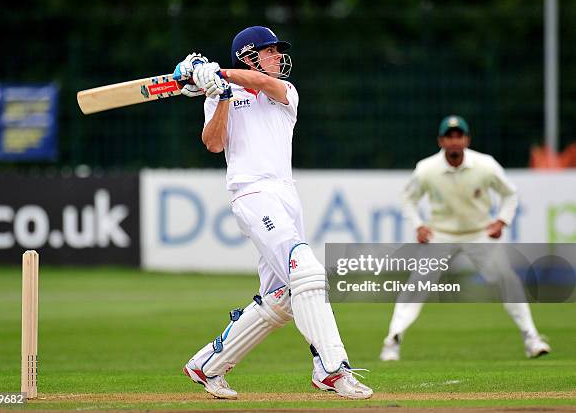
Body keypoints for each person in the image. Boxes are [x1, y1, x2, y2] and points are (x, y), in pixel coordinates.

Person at [172, 26, 372, 400]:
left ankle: (206, 366)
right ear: (249, 55)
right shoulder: (218, 95)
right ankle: (331, 369)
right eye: (271, 51)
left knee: (281, 296)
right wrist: (221, 93)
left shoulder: (285, 92)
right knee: (307, 270)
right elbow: (214, 144)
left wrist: (218, 74)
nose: (279, 57)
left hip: (285, 194)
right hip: (251, 192)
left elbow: (264, 85)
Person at [379, 115, 551, 361]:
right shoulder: (427, 169)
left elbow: (510, 194)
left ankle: (531, 337)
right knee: (416, 285)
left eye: (459, 136)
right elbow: (407, 197)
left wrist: (502, 220)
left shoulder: (485, 165)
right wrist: (418, 225)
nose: (454, 141)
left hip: (478, 233)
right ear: (441, 141)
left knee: (507, 280)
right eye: (449, 136)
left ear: (467, 139)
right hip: (441, 235)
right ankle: (392, 341)